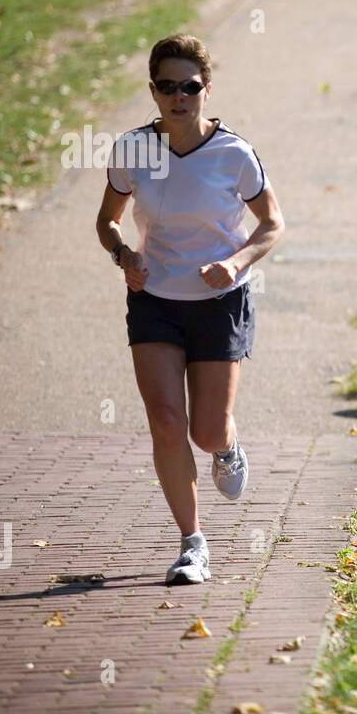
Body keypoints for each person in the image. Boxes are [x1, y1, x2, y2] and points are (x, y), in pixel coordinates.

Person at [95, 34, 285, 585]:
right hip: (153, 298)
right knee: (165, 424)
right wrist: (122, 253)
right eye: (167, 87)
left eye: (191, 86)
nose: (179, 97)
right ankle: (192, 544)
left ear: (207, 88)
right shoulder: (133, 150)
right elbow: (107, 219)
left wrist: (237, 262)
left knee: (205, 430)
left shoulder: (233, 154)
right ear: (153, 91)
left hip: (219, 302)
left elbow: (272, 224)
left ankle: (226, 446)